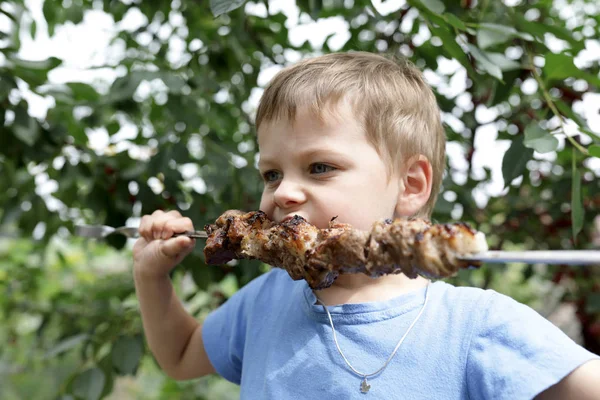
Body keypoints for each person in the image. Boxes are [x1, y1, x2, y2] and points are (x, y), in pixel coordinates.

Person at [132, 52, 600, 399]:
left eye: (319, 167)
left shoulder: (477, 326)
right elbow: (179, 356)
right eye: (271, 173)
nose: (281, 193)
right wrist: (151, 278)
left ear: (410, 185)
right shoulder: (263, 304)